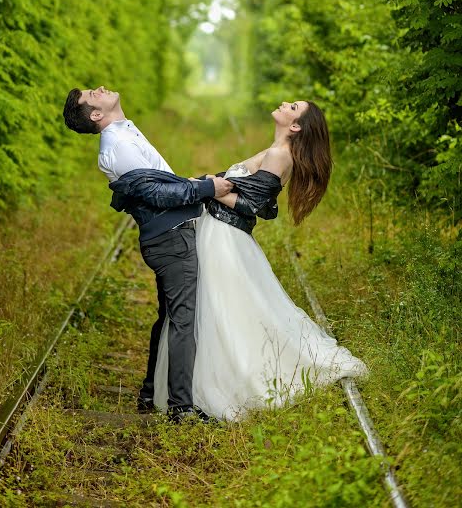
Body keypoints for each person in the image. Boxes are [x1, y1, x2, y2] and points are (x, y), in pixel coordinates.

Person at [152, 100, 368, 420]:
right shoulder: (275, 150)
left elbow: (251, 204)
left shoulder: (280, 155)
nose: (284, 103)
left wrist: (207, 188)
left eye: (292, 106)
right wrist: (209, 183)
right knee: (218, 309)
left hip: (225, 237)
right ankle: (197, 386)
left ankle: (220, 384)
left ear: (295, 126)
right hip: (220, 232)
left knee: (218, 310)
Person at [62, 86, 233, 423]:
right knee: (184, 320)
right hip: (170, 240)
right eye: (90, 96)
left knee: (171, 316)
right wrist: (205, 188)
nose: (97, 89)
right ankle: (181, 408)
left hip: (170, 237)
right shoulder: (117, 147)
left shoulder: (123, 132)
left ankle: (149, 394)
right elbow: (157, 194)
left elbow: (162, 180)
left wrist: (200, 182)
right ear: (95, 115)